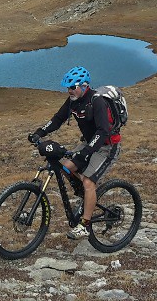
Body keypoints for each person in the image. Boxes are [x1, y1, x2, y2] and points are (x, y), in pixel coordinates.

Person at [28, 66, 122, 240]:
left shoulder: (97, 101)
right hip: (89, 143)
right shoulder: (72, 101)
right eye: (67, 87)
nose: (69, 90)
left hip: (107, 146)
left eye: (72, 87)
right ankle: (85, 196)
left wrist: (86, 153)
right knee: (66, 167)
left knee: (88, 181)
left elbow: (102, 132)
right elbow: (58, 119)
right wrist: (39, 132)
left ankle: (85, 225)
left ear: (84, 86)